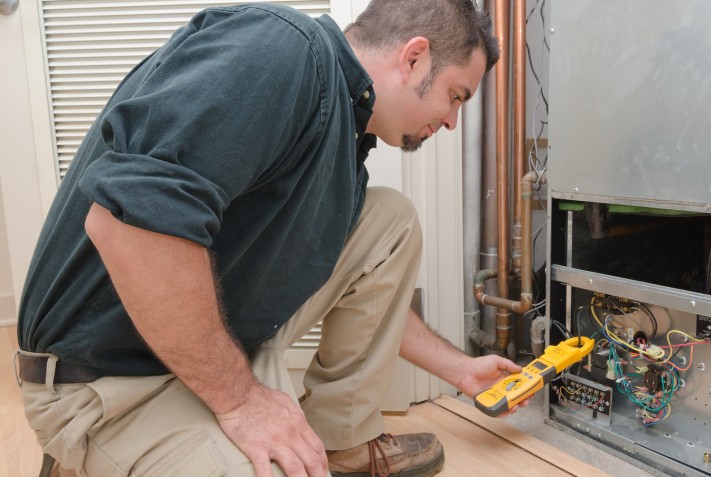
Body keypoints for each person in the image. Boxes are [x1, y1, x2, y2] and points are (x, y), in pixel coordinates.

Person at [16, 1, 525, 476]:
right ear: (415, 58)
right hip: (107, 378)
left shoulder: (345, 133)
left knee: (389, 220)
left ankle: (338, 441)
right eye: (455, 96)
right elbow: (124, 226)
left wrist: (460, 369)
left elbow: (367, 290)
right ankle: (90, 453)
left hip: (202, 339)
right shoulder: (283, 51)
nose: (452, 121)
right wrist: (242, 402)